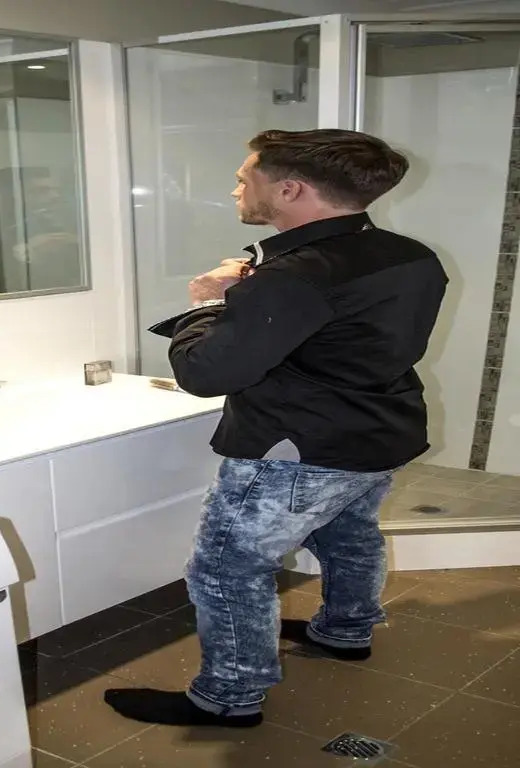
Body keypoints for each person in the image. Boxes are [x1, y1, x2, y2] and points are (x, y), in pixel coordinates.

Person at [105, 129, 447, 728]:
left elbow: (205, 374)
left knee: (227, 567)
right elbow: (345, 337)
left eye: (245, 178)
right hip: (380, 432)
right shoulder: (410, 255)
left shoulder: (297, 275)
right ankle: (345, 630)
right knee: (349, 537)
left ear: (289, 189)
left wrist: (210, 301)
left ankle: (228, 697)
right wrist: (255, 300)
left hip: (299, 449)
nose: (236, 189)